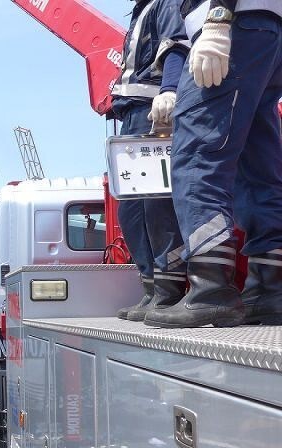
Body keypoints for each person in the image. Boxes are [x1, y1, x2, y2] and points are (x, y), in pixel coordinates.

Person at [145, 0, 282, 328]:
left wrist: (218, 19)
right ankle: (270, 288)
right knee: (257, 166)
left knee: (197, 157)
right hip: (266, 31)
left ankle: (211, 289)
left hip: (231, 25)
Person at [111, 0, 190, 322]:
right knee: (131, 208)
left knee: (156, 204)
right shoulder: (141, 11)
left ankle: (168, 289)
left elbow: (176, 45)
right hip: (131, 115)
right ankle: (151, 287)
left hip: (151, 112)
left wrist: (169, 90)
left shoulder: (165, 3)